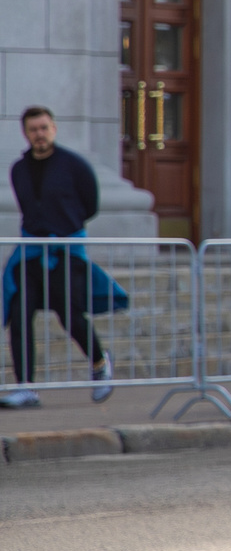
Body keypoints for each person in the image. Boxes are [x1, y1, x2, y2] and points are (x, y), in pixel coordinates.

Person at [5, 108, 117, 407]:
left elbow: (90, 204)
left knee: (69, 313)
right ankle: (26, 387)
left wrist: (65, 227)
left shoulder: (74, 165)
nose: (39, 134)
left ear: (53, 128)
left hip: (66, 252)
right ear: (26, 133)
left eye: (44, 128)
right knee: (20, 313)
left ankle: (99, 363)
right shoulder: (19, 169)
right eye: (33, 129)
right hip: (30, 252)